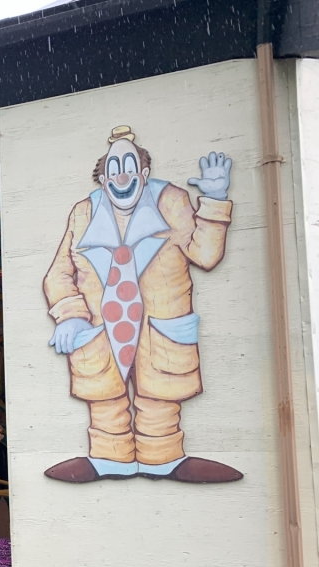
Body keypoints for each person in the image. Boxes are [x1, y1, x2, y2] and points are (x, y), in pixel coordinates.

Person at [43, 125, 241, 483]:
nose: (121, 174)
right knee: (104, 400)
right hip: (102, 331)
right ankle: (108, 459)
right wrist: (70, 316)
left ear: (143, 173)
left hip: (159, 329)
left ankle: (163, 459)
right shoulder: (83, 213)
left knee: (160, 399)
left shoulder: (171, 202)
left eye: (129, 164)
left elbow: (207, 255)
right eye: (113, 166)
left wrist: (214, 200)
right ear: (103, 177)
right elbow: (59, 273)